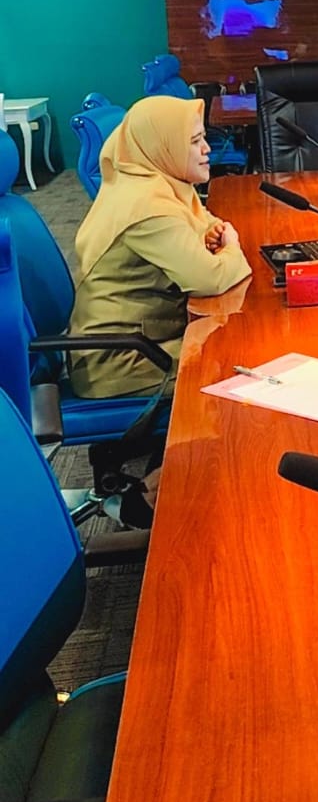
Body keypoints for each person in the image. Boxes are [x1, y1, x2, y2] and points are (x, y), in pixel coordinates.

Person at [70, 96, 252, 522]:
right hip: (121, 360)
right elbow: (212, 277)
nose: (207, 149)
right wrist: (234, 248)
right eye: (194, 142)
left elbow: (207, 233)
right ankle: (151, 503)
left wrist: (214, 247)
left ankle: (167, 482)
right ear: (163, 147)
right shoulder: (148, 206)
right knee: (236, 378)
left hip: (136, 341)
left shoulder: (154, 183)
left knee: (234, 361)